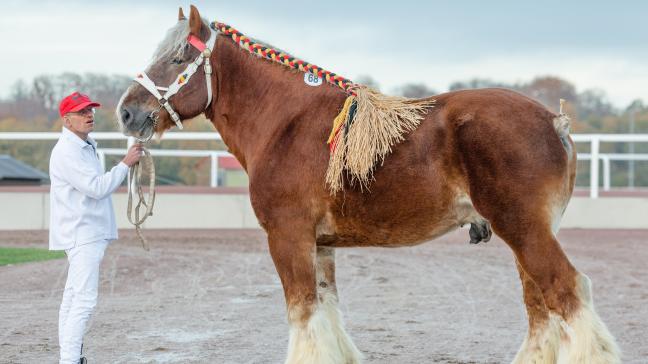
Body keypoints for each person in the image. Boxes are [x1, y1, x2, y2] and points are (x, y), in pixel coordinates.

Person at [49, 91, 143, 364]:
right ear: (67, 120)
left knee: (73, 298)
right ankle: (69, 359)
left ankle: (69, 357)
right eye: (82, 112)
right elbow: (96, 188)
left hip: (84, 231)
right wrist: (125, 164)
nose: (89, 115)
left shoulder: (84, 145)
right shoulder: (69, 151)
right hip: (82, 232)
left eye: (90, 110)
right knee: (84, 301)